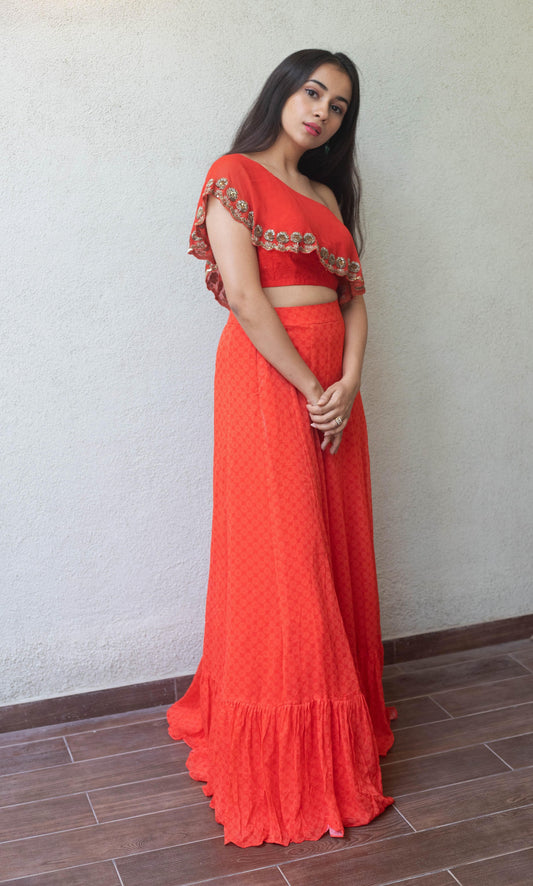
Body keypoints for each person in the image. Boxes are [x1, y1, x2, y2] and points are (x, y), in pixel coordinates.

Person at [167, 48, 397, 848]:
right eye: (312, 93)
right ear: (282, 92)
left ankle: (340, 722)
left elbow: (354, 297)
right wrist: (309, 386)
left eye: (337, 106)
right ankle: (292, 751)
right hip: (273, 379)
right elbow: (242, 296)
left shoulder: (329, 192)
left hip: (333, 387)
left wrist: (350, 382)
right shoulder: (233, 171)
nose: (322, 113)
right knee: (283, 553)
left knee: (332, 545)